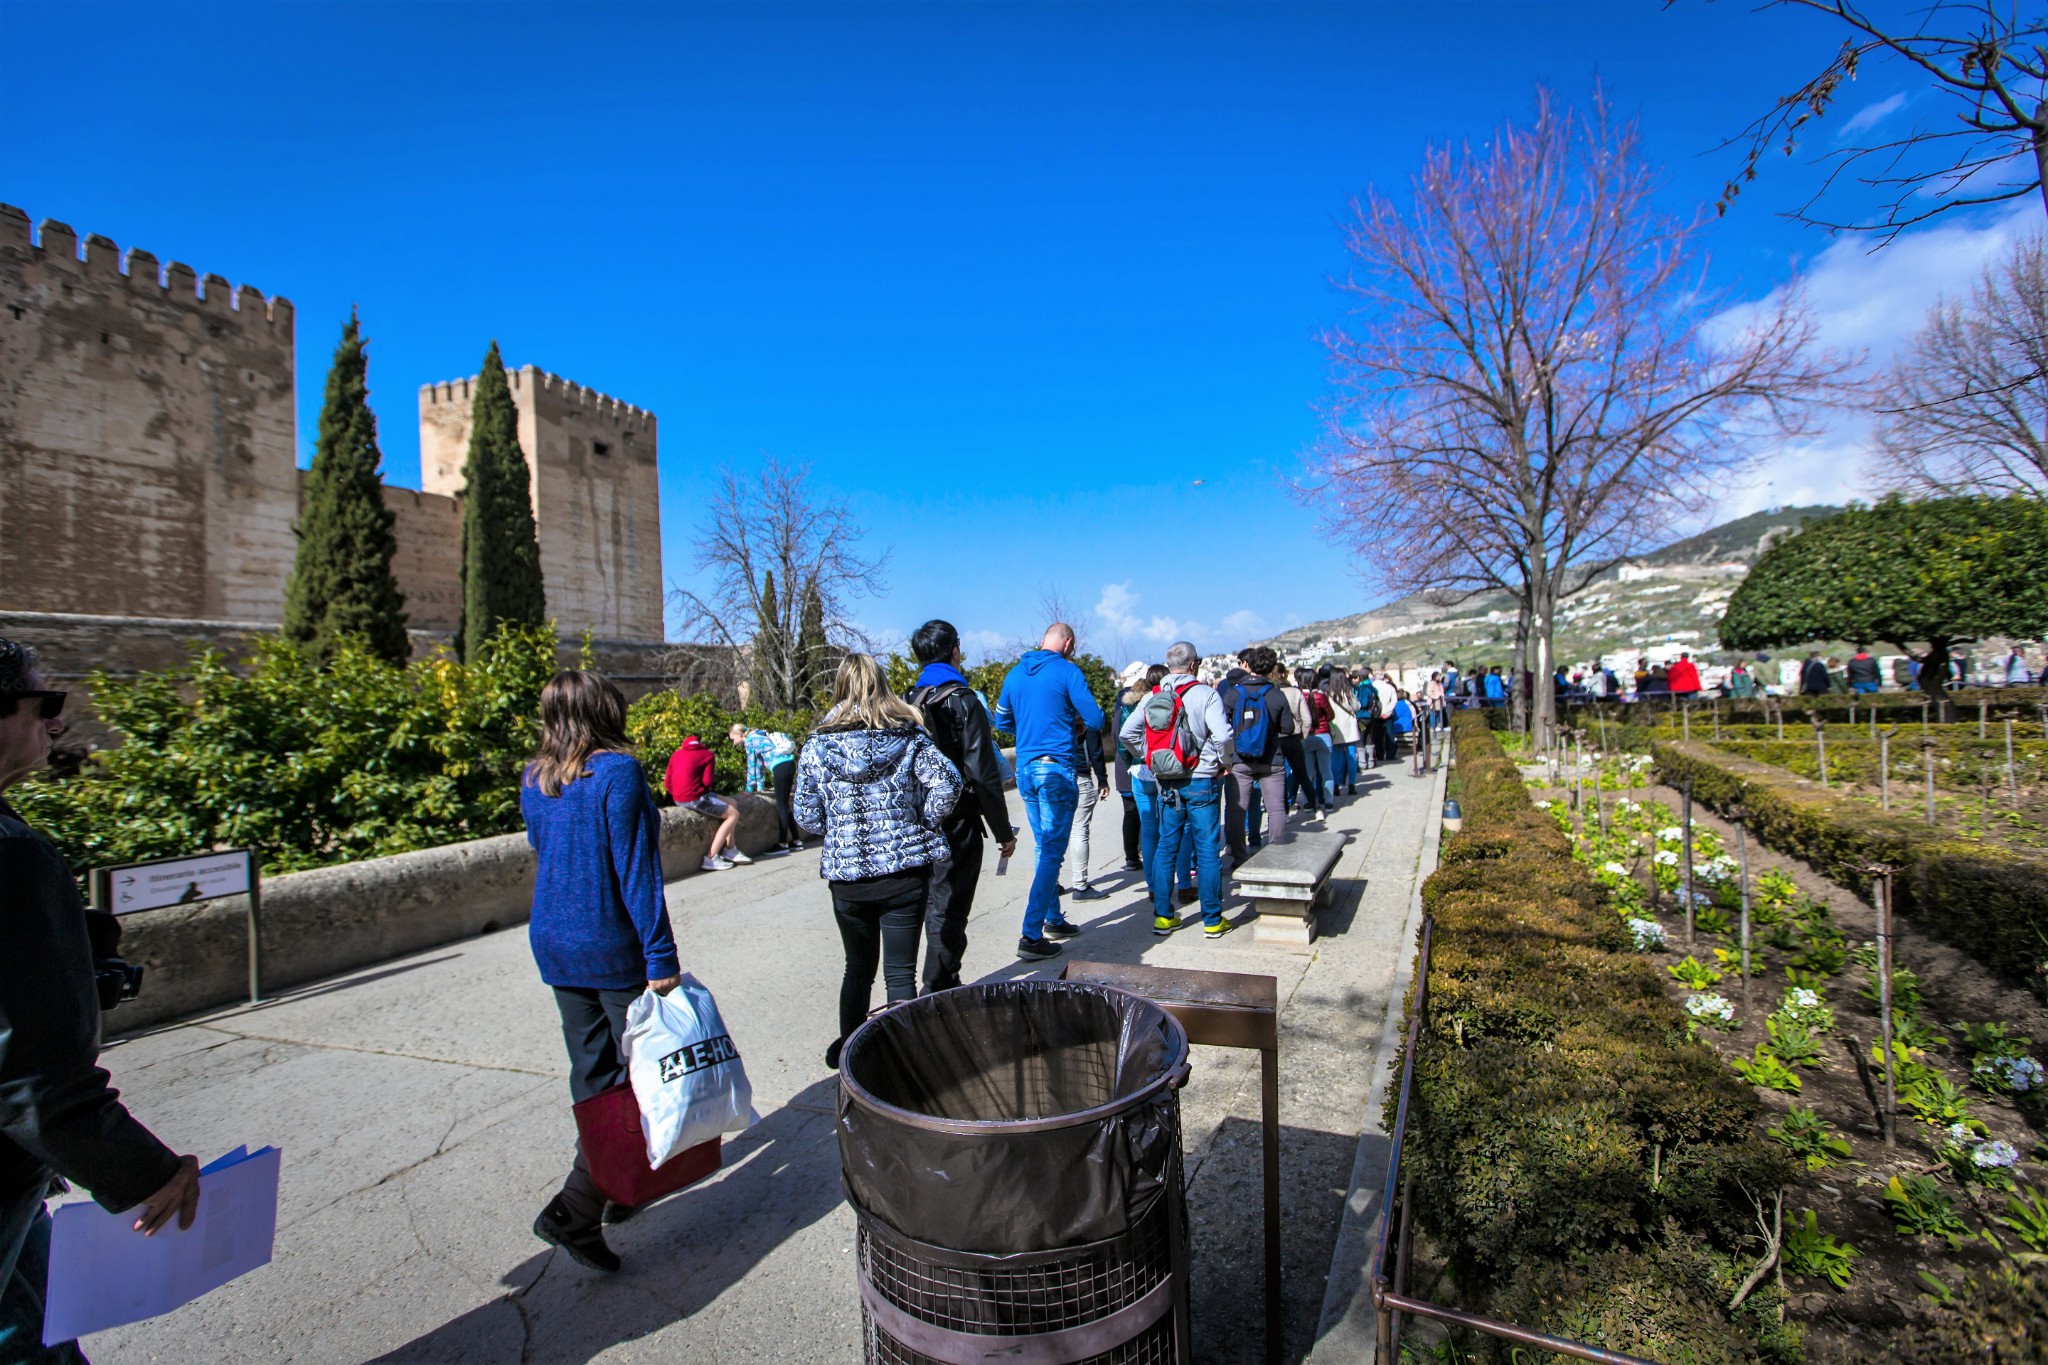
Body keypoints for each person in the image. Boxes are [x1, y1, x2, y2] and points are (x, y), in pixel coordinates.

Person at [0, 638, 202, 1355]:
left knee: (36, 1328)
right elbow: (33, 1079)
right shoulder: (11, 855)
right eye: (45, 706)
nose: (55, 724)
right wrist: (146, 1172)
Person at [521, 669, 680, 1274]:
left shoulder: (535, 778)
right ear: (603, 711)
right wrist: (660, 957)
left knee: (593, 1074)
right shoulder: (616, 772)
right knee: (641, 1078)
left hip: (555, 940)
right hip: (610, 944)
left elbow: (548, 850)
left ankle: (614, 1184)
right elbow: (638, 872)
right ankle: (576, 1206)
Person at [795, 654, 961, 1066]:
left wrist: (840, 830)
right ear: (882, 685)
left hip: (848, 879)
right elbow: (949, 783)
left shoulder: (818, 745)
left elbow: (805, 815)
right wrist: (921, 819)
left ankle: (853, 1059)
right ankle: (904, 1060)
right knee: (900, 973)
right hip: (904, 872)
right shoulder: (908, 737)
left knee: (857, 968)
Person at [906, 620, 1017, 994]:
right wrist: (1003, 831)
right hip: (957, 818)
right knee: (950, 904)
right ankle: (938, 985)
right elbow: (983, 774)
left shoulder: (908, 700)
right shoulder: (963, 698)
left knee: (932, 902)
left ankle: (935, 979)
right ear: (954, 650)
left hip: (916, 818)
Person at [992, 623, 1104, 960]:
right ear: (1068, 643)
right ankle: (1030, 935)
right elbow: (1097, 719)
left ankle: (1053, 919)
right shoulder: (1068, 672)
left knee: (1045, 847)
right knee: (1052, 852)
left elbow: (1002, 723)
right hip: (1056, 769)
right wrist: (1073, 722)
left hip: (1025, 769)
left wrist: (1030, 728)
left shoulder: (1014, 674)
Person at [1119, 642, 1234, 938]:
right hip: (1202, 779)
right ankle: (1211, 919)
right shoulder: (1206, 694)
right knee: (1207, 848)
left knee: (1165, 847)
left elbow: (1125, 733)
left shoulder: (1153, 697)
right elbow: (1222, 735)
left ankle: (1163, 917)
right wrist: (1226, 762)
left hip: (1167, 782)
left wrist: (1149, 756)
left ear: (1169, 666)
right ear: (1194, 665)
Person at [1229, 647, 1294, 854]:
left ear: (1249, 665)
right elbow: (1288, 728)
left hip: (1240, 759)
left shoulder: (1234, 693)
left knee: (1237, 811)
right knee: (1276, 809)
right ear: (1272, 667)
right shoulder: (1276, 695)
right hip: (1271, 758)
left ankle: (1239, 855)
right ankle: (1274, 854)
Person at [665, 734, 747, 869]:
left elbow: (667, 781)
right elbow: (707, 782)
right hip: (695, 798)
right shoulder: (707, 755)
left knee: (732, 803)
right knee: (733, 815)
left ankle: (730, 849)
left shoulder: (676, 754)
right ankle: (711, 857)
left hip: (678, 798)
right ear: (700, 743)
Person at [731, 723, 800, 851]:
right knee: (785, 805)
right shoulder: (759, 736)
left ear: (739, 734)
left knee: (781, 806)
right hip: (789, 764)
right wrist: (760, 787)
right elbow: (759, 765)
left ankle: (782, 843)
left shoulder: (750, 741)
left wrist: (749, 789)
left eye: (733, 739)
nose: (734, 743)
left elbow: (752, 765)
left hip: (780, 767)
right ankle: (796, 840)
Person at [1112, 662, 1149, 870]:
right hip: (1138, 764)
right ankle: (1147, 852)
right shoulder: (1143, 705)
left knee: (1131, 811)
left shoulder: (1119, 705)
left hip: (1123, 766)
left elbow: (1115, 736)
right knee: (1148, 811)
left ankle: (1131, 857)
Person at [1296, 669, 1336, 812]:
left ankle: (1308, 802)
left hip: (1306, 737)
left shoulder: (1299, 696)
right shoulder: (1321, 696)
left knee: (1307, 773)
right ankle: (1329, 801)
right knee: (1326, 772)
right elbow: (1330, 715)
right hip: (1323, 735)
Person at [1325, 667, 1362, 797]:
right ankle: (1351, 785)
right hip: (1349, 728)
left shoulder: (1328, 694)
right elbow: (1357, 706)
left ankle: (1335, 785)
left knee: (1335, 758)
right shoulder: (1348, 692)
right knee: (1351, 756)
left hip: (1336, 728)